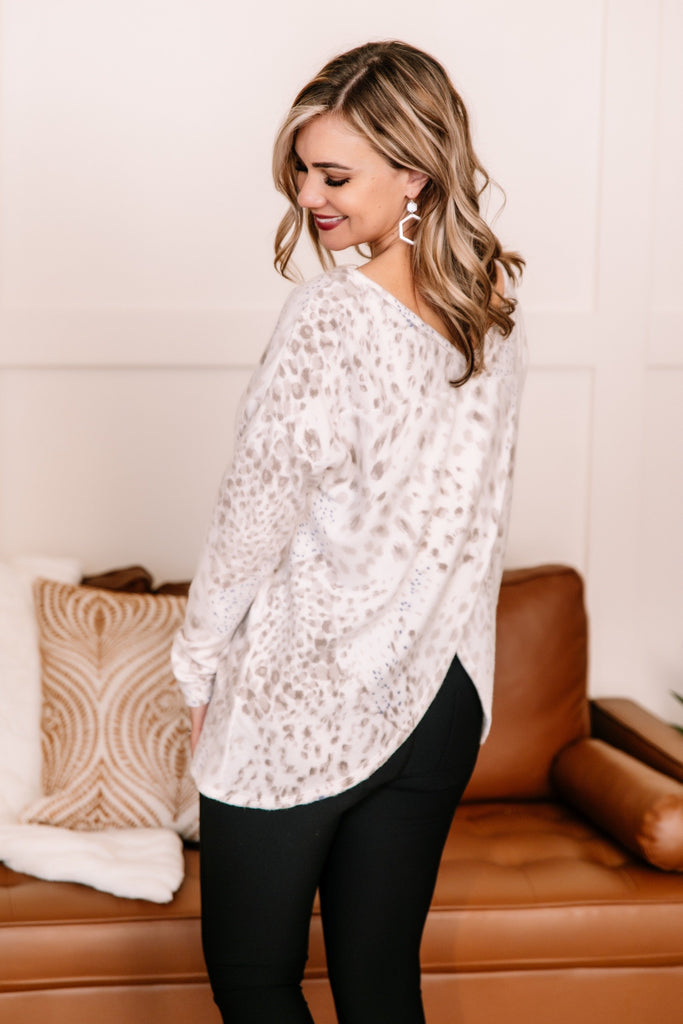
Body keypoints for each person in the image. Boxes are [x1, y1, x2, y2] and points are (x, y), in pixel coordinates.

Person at [172, 39, 526, 1024]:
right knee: (378, 984)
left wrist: (196, 664)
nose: (307, 197)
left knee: (254, 977)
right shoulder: (490, 316)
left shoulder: (330, 314)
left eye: (334, 176)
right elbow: (476, 522)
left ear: (413, 173)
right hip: (442, 693)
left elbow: (254, 512)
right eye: (301, 171)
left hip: (307, 691)